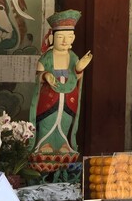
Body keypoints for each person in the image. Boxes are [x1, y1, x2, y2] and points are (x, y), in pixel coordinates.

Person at [29, 9, 93, 160]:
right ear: (52, 37)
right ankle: (44, 144)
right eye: (61, 37)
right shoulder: (47, 57)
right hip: (50, 96)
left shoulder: (73, 57)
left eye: (69, 37)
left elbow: (77, 75)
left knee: (65, 119)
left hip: (69, 95)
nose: (65, 41)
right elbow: (38, 74)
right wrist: (46, 76)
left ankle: (63, 143)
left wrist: (80, 67)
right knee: (47, 120)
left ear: (73, 38)